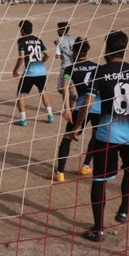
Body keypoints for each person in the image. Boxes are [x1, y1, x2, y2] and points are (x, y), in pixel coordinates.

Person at [72, 30, 129, 242]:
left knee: (99, 180)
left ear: (107, 48)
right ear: (124, 49)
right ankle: (124, 209)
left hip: (105, 135)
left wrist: (77, 127)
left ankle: (98, 230)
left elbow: (87, 104)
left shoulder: (100, 72)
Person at [53, 37, 99, 182]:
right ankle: (86, 166)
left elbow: (65, 88)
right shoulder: (97, 67)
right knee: (96, 136)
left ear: (74, 52)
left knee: (67, 138)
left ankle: (60, 172)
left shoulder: (70, 68)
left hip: (81, 107)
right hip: (99, 107)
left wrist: (67, 109)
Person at [11, 19, 53, 125]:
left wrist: (15, 70)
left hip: (30, 72)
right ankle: (50, 116)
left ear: (23, 30)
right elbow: (47, 55)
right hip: (42, 72)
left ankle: (23, 120)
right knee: (43, 91)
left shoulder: (21, 41)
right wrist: (41, 63)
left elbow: (21, 57)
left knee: (21, 94)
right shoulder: (38, 40)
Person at [54, 22, 75, 101]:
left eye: (58, 29)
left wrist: (58, 46)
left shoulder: (59, 40)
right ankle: (72, 103)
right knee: (70, 88)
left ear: (61, 30)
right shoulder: (72, 39)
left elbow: (58, 56)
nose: (57, 30)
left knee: (62, 89)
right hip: (73, 66)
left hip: (65, 67)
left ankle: (70, 105)